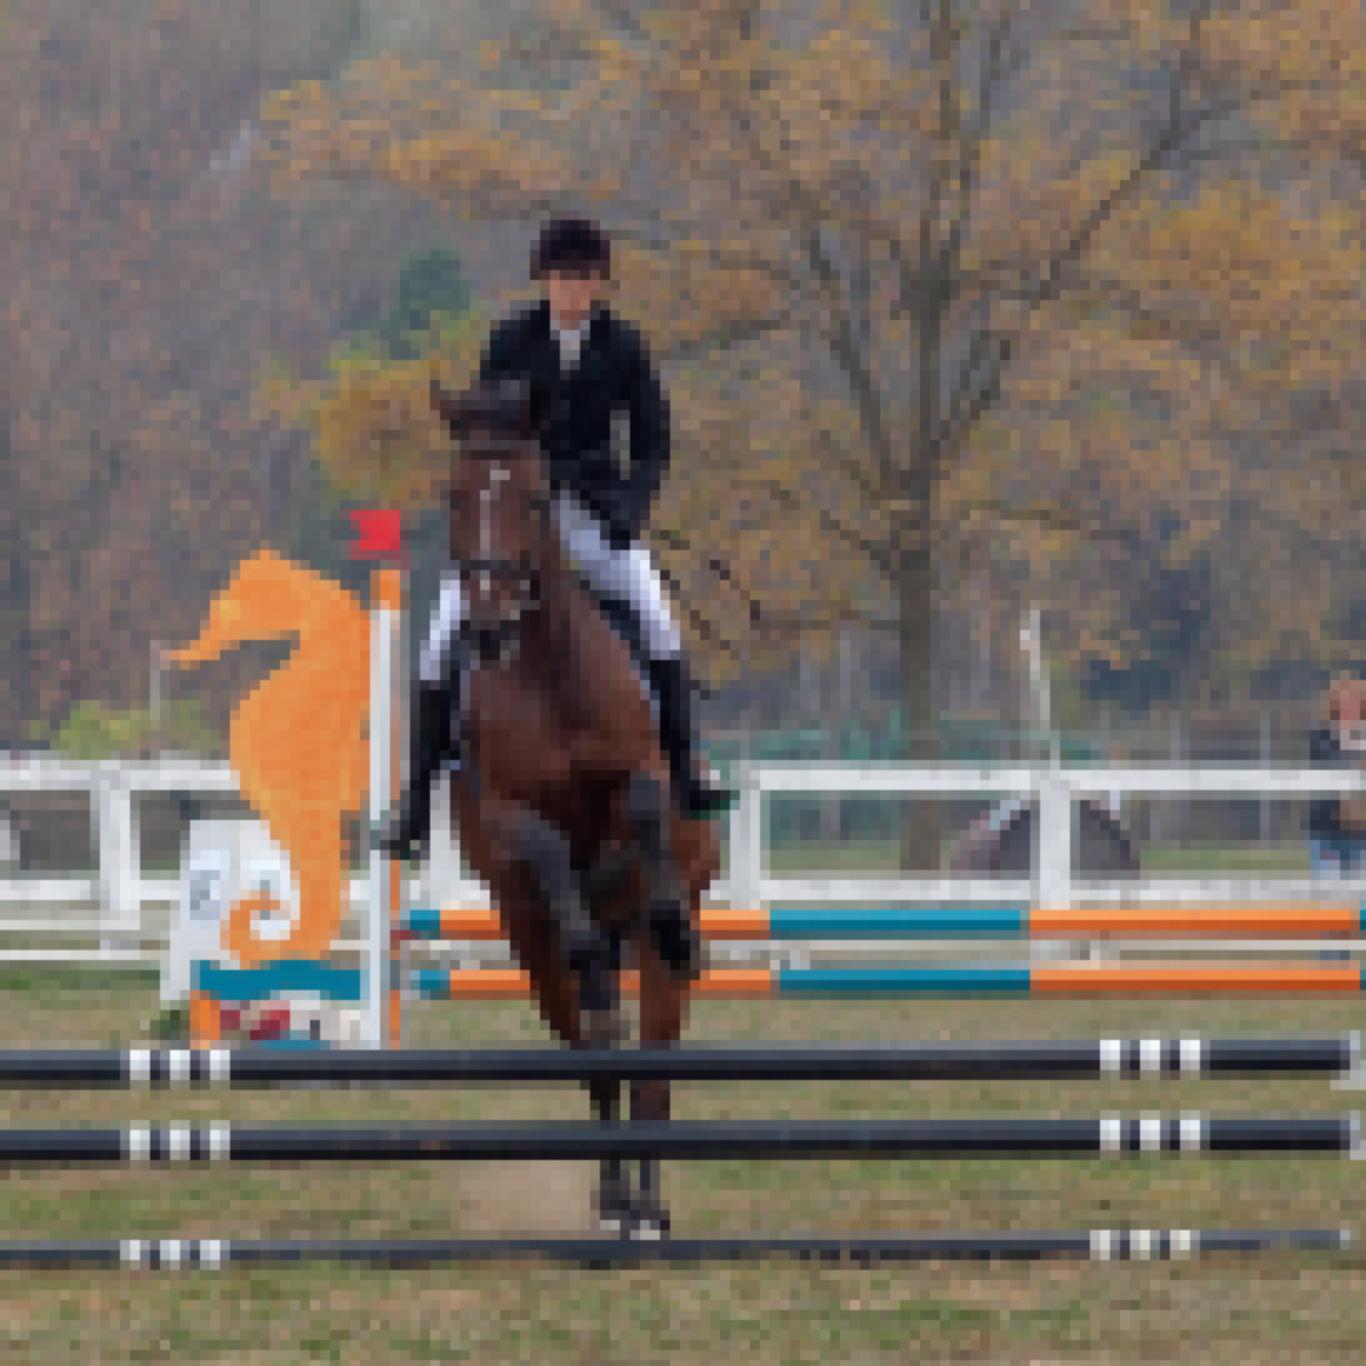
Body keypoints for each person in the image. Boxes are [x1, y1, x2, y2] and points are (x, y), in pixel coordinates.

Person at [383, 216, 734, 860]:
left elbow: (653, 441)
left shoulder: (623, 346)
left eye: (584, 277)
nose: (572, 288)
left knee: (658, 622)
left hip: (595, 511)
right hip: (517, 516)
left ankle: (685, 769)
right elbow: (483, 429)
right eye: (562, 277)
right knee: (438, 641)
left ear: (600, 283)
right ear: (543, 279)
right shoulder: (510, 339)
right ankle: (416, 802)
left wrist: (630, 506)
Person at [1309, 674, 1366, 879]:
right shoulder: (1321, 737)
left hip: (1361, 832)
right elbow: (1327, 762)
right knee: (1328, 892)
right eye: (1343, 702)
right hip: (1327, 830)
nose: (1348, 707)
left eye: (1353, 701)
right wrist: (1348, 739)